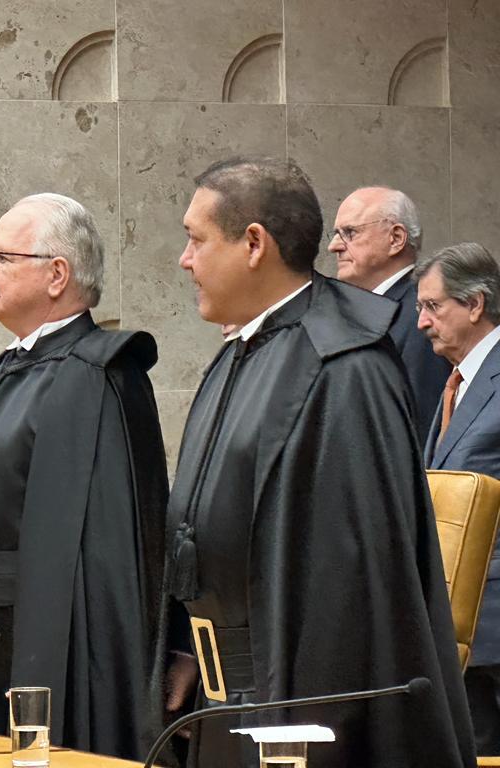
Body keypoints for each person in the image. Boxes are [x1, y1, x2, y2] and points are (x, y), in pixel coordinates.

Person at [166, 157, 474, 767]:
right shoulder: (245, 350)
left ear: (255, 243)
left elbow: (351, 589)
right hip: (226, 698)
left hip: (295, 716)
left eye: (196, 239)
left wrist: (299, 731)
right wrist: (188, 650)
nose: (185, 259)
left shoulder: (343, 365)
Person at [0, 193, 168, 761]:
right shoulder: (6, 368)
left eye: (1, 258)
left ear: (57, 274)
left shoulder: (95, 373)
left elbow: (98, 550)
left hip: (40, 651)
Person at [417, 242, 500, 754]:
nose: (422, 322)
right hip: (461, 630)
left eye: (433, 306)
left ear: (474, 304)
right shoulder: (458, 382)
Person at [330, 186, 450, 442]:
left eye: (349, 233)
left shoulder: (421, 314)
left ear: (396, 238)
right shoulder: (369, 310)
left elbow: (421, 428)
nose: (334, 246)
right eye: (336, 234)